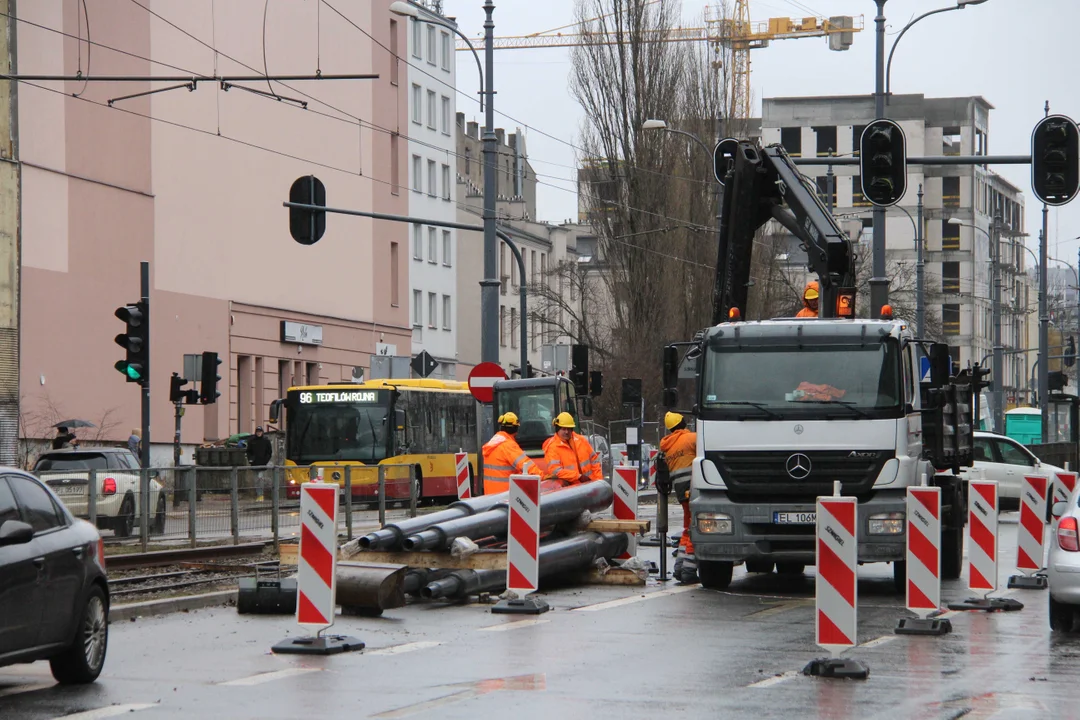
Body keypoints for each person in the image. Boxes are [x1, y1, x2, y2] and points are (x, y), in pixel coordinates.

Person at [660, 411, 698, 584]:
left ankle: (680, 566)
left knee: (687, 528)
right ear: (683, 424)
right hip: (695, 488)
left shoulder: (668, 446)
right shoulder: (690, 439)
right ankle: (689, 570)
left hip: (682, 492)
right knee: (695, 528)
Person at [482, 412, 542, 495]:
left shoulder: (492, 443)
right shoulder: (508, 445)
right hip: (505, 496)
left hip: (489, 496)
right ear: (516, 429)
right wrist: (542, 476)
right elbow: (525, 465)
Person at [542, 412, 602, 486]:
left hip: (590, 486)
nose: (567, 432)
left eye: (569, 429)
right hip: (571, 490)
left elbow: (594, 461)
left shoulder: (581, 440)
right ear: (557, 429)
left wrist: (598, 481)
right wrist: (578, 476)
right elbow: (556, 471)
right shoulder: (552, 447)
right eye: (564, 429)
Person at [246, 426, 274, 501]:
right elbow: (248, 451)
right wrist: (251, 460)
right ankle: (259, 495)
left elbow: (269, 452)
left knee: (260, 479)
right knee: (256, 480)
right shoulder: (252, 441)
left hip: (262, 464)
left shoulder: (266, 441)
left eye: (260, 431)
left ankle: (260, 495)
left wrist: (265, 461)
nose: (259, 433)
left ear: (262, 432)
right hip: (254, 464)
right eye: (257, 432)